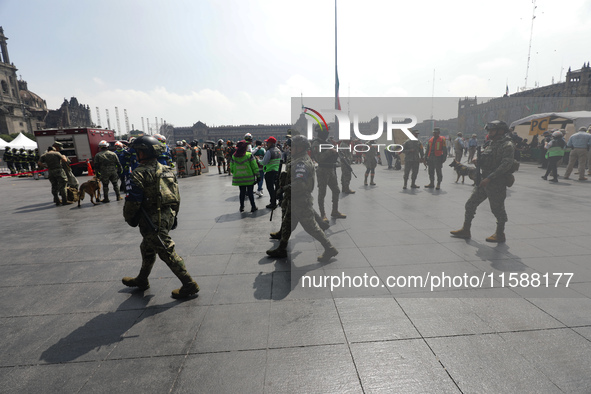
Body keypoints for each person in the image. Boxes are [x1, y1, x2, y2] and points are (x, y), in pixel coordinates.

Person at [122, 135, 199, 299]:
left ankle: (189, 283)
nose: (137, 154)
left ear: (144, 153)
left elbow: (133, 202)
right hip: (167, 216)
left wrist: (130, 219)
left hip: (150, 220)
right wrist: (174, 216)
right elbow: (176, 196)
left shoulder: (138, 174)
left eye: (138, 151)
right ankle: (142, 279)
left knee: (167, 252)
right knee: (147, 247)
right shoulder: (168, 171)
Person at [266, 135, 338, 262]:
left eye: (293, 146)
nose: (290, 148)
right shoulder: (297, 159)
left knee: (311, 228)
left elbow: (299, 184)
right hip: (294, 199)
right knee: (287, 224)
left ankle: (330, 248)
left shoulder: (301, 163)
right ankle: (281, 248)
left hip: (300, 201)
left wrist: (284, 189)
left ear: (300, 148)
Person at [450, 120, 515, 243]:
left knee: (498, 209)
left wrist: (489, 178)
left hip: (496, 182)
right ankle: (466, 229)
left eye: (492, 130)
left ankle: (500, 233)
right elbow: (486, 157)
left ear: (501, 131)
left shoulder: (507, 145)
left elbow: (506, 165)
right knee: (470, 204)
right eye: (489, 130)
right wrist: (477, 160)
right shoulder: (491, 144)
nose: (490, 133)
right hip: (483, 180)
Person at [310, 127, 346, 221]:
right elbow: (319, 158)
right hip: (322, 170)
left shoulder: (327, 143)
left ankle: (335, 210)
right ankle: (323, 215)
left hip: (331, 169)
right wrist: (330, 151)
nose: (327, 134)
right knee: (322, 193)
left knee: (336, 190)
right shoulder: (316, 143)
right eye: (325, 132)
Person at [230, 140, 259, 213]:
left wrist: (235, 173)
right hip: (249, 178)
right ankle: (253, 206)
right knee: (250, 192)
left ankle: (241, 207)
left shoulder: (234, 156)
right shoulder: (249, 155)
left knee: (242, 192)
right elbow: (254, 166)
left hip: (239, 178)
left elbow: (231, 167)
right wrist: (258, 175)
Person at [260, 136, 282, 209]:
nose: (266, 144)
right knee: (277, 187)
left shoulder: (269, 151)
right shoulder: (278, 150)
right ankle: (280, 201)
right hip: (277, 171)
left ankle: (273, 203)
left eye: (267, 142)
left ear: (270, 143)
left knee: (271, 188)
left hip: (270, 172)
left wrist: (258, 160)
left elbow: (264, 162)